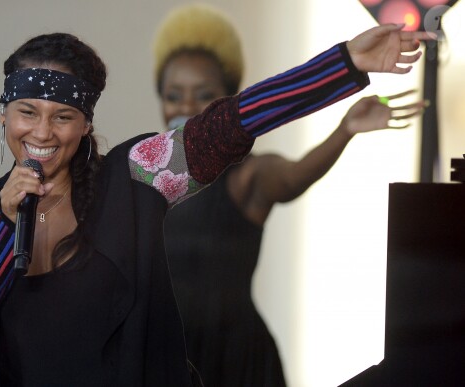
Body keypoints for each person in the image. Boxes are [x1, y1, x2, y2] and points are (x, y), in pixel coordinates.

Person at [0, 22, 431, 386]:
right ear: (4, 116)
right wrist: (8, 229)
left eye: (64, 116)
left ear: (86, 125)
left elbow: (233, 122)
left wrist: (343, 65)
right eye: (27, 112)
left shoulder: (136, 175)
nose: (43, 132)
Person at [153, 4, 427, 387]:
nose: (185, 107)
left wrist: (344, 130)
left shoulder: (249, 175)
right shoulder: (151, 175)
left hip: (237, 361)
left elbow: (294, 176)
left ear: (226, 101)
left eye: (203, 95)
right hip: (170, 356)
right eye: (173, 95)